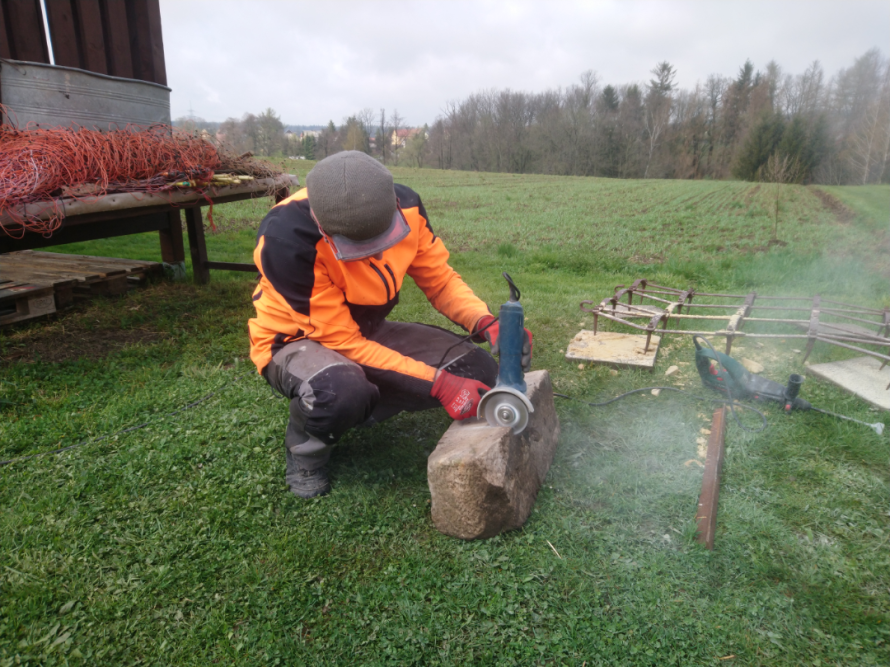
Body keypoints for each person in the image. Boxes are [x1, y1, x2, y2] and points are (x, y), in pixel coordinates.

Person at [249, 151, 531, 498]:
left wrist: (484, 320)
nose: (370, 254)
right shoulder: (285, 241)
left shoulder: (409, 206)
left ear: (394, 206)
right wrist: (440, 385)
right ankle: (307, 448)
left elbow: (440, 281)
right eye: (357, 247)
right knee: (340, 390)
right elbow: (345, 344)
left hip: (366, 329)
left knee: (477, 370)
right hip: (296, 340)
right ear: (323, 226)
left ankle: (367, 398)